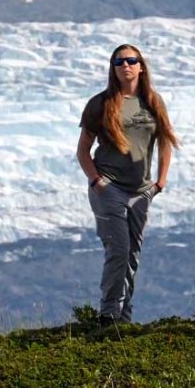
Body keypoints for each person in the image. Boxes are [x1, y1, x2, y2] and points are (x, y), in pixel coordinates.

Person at [75, 43, 178, 325]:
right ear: (113, 68)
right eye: (119, 62)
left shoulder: (153, 101)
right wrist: (97, 181)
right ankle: (108, 314)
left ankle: (124, 316)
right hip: (109, 187)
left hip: (142, 190)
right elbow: (83, 149)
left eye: (131, 61)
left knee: (132, 253)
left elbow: (165, 141)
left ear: (141, 66)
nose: (125, 66)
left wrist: (160, 182)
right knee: (118, 248)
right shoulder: (101, 103)